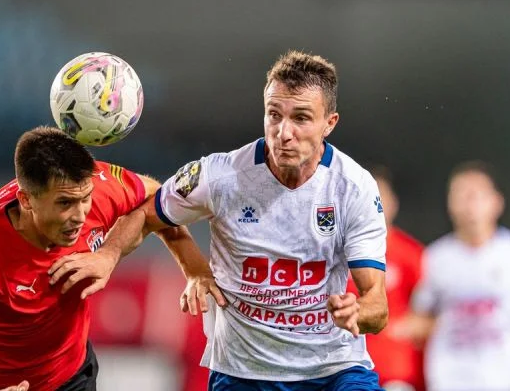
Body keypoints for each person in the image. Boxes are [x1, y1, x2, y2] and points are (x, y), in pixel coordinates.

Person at [53, 50, 389, 390]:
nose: (284, 132)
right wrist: (112, 255)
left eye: (301, 118)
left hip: (333, 370)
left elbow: (377, 306)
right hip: (244, 374)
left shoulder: (353, 188)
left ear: (329, 123)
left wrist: (358, 313)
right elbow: (146, 214)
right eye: (274, 115)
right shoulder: (219, 175)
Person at [0, 126, 201, 391]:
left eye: (85, 199)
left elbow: (160, 198)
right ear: (26, 200)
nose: (80, 215)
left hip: (71, 378)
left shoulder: (93, 188)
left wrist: (112, 253)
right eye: (65, 204)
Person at [395, 162, 510, 391]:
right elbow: (421, 317)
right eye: (461, 195)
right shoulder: (435, 258)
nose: (469, 204)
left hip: (509, 377)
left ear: (497, 202)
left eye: (476, 195)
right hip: (450, 379)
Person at [345, 166, 424, 391]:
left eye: (378, 198)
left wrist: (415, 325)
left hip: (395, 371)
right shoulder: (335, 253)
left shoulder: (411, 253)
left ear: (393, 202)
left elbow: (430, 311)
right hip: (345, 366)